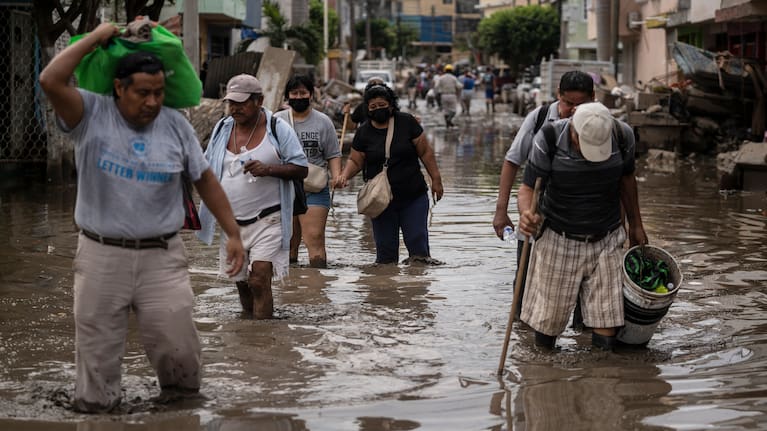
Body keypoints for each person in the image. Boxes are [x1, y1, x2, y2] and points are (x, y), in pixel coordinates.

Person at [38, 23, 245, 412]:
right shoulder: (90, 112)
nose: (152, 102)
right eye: (142, 93)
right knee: (96, 369)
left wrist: (232, 233)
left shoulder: (175, 125)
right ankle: (97, 413)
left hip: (162, 258)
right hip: (101, 256)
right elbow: (50, 79)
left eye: (159, 93)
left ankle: (178, 415)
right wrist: (97, 37)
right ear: (119, 89)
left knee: (180, 351)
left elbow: (205, 179)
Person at [516, 101, 648, 351]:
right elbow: (528, 189)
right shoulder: (549, 137)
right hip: (559, 236)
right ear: (573, 128)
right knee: (548, 321)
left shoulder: (622, 136)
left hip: (607, 237)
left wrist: (636, 225)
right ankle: (543, 379)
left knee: (607, 319)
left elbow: (627, 180)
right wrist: (526, 214)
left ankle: (599, 380)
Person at [197, 74, 308, 319]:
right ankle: (249, 333)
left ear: (259, 101)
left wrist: (268, 169)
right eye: (231, 102)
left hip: (269, 219)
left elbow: (301, 168)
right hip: (231, 222)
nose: (235, 108)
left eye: (241, 102)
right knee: (242, 282)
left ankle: (264, 339)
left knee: (258, 279)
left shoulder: (278, 128)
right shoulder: (222, 128)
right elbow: (206, 167)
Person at [493, 70, 596, 319]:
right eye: (568, 103)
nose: (573, 111)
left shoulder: (600, 125)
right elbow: (512, 161)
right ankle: (525, 339)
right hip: (537, 214)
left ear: (593, 99)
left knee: (585, 293)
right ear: (558, 95)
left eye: (580, 105)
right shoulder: (539, 119)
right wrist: (501, 211)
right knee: (526, 284)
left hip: (582, 221)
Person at [336, 84, 444, 264]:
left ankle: (417, 288)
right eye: (373, 107)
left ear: (391, 105)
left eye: (382, 104)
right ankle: (386, 289)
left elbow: (425, 152)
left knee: (419, 252)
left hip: (413, 196)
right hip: (380, 201)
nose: (378, 109)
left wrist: (436, 180)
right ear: (367, 109)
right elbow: (356, 160)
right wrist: (344, 176)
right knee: (385, 257)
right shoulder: (364, 132)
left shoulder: (407, 122)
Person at [275, 75, 341, 268]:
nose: (298, 96)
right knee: (288, 242)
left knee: (314, 237)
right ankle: (293, 288)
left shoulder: (323, 122)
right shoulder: (276, 121)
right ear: (287, 96)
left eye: (303, 93)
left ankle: (317, 286)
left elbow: (333, 154)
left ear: (311, 94)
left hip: (315, 187)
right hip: (283, 188)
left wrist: (337, 176)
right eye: (294, 93)